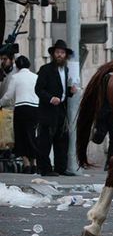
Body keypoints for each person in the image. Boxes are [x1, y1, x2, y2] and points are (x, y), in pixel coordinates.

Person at [35, 39, 77, 176]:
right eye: (58, 52)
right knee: (45, 141)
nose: (60, 55)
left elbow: (65, 91)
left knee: (62, 140)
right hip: (48, 111)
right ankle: (45, 168)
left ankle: (61, 168)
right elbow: (38, 89)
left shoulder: (67, 70)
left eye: (62, 53)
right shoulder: (45, 69)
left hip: (61, 111)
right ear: (53, 54)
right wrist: (50, 98)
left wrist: (71, 92)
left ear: (66, 55)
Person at [0, 55, 38, 173]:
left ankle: (26, 164)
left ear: (17, 67)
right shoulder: (35, 77)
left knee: (21, 136)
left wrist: (0, 102)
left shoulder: (15, 77)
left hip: (21, 108)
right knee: (32, 135)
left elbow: (9, 95)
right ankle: (35, 163)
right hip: (35, 108)